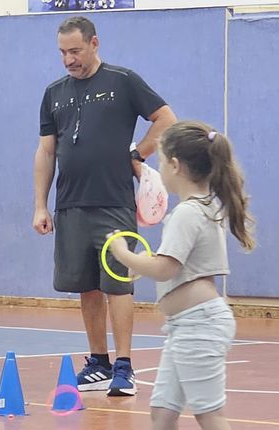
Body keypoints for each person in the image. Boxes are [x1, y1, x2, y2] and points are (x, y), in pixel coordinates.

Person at [32, 16, 177, 396]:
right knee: (86, 286)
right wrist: (40, 205)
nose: (68, 60)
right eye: (62, 52)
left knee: (117, 284)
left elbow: (166, 119)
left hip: (114, 203)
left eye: (75, 51)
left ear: (94, 44)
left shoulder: (122, 81)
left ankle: (125, 366)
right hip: (70, 204)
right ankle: (98, 363)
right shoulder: (54, 93)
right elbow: (47, 151)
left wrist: (137, 152)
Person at [107, 121, 252, 429]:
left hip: (198, 326)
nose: (161, 168)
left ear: (175, 165)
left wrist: (124, 253)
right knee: (162, 413)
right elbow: (171, 263)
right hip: (184, 327)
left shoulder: (188, 213)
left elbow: (165, 268)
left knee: (209, 416)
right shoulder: (202, 207)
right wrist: (144, 261)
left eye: (161, 161)